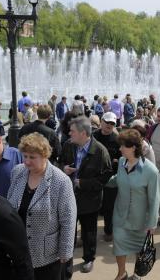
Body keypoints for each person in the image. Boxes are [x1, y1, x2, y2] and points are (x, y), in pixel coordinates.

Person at [7, 133, 77, 280]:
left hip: (47, 255)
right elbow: (10, 206)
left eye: (32, 157)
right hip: (18, 250)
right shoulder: (17, 172)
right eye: (25, 156)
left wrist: (66, 252)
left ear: (45, 155)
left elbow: (68, 219)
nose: (27, 161)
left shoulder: (61, 180)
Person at [59, 117, 112, 274]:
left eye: (72, 131)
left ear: (83, 133)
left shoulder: (100, 151)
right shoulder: (69, 145)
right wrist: (64, 169)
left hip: (89, 201)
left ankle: (89, 259)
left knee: (89, 232)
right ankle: (67, 262)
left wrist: (82, 183)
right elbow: (59, 163)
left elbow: (105, 178)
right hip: (68, 198)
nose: (69, 133)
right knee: (68, 231)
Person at [106, 129, 160, 280]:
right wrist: (102, 181)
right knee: (119, 245)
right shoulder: (122, 162)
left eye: (123, 146)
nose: (120, 149)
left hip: (140, 219)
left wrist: (152, 223)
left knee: (139, 249)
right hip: (120, 215)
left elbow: (155, 198)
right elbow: (118, 179)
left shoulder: (151, 171)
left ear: (134, 148)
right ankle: (121, 273)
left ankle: (137, 274)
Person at [92, 112, 121, 243]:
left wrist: (117, 162)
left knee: (109, 207)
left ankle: (109, 231)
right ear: (101, 122)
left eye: (112, 123)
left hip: (111, 178)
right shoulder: (94, 136)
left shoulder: (117, 139)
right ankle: (89, 233)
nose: (109, 125)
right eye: (107, 122)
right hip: (95, 176)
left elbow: (122, 158)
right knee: (93, 206)